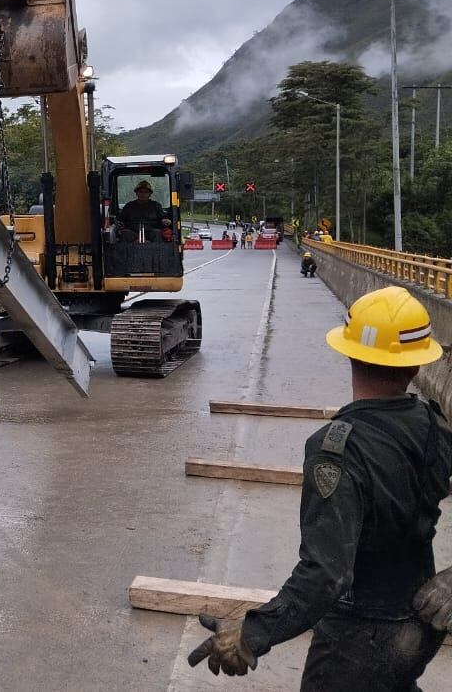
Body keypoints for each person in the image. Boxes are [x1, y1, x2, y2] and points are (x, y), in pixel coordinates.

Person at [188, 285, 449, 689]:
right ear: (416, 366)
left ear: (349, 353)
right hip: (420, 629)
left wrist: (252, 634)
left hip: (359, 639)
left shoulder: (337, 450)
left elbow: (327, 574)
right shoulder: (435, 427)